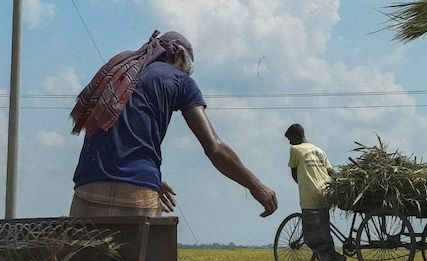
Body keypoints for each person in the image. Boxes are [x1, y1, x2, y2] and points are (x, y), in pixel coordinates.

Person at [69, 30, 278, 218]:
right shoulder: (180, 81)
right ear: (178, 55)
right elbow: (214, 148)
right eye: (186, 68)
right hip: (136, 192)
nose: (184, 74)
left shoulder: (123, 75)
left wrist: (154, 178)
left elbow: (117, 131)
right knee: (150, 249)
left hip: (86, 187)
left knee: (81, 251)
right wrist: (256, 187)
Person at [285, 124, 345, 261]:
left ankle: (336, 258)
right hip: (326, 194)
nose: (290, 143)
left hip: (310, 196)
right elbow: (331, 172)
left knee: (311, 238)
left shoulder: (295, 150)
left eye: (290, 139)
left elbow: (294, 174)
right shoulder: (319, 151)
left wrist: (304, 185)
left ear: (296, 136)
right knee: (324, 233)